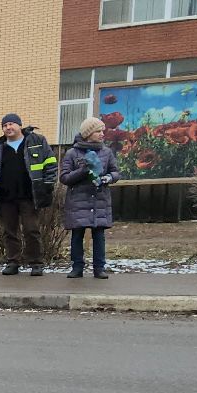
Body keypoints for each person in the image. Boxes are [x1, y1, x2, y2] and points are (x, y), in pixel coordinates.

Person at [0, 112, 57, 276]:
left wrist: (47, 185)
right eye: (5, 125)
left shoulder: (37, 142)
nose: (8, 127)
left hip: (29, 196)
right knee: (10, 232)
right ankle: (13, 262)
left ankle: (36, 263)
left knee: (31, 230)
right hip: (5, 198)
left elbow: (50, 164)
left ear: (19, 125)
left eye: (11, 124)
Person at [61, 117, 118, 279]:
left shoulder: (107, 152)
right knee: (77, 235)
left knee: (99, 235)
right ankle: (77, 267)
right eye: (98, 131)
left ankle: (99, 268)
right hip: (78, 201)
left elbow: (115, 172)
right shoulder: (72, 153)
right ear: (88, 134)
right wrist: (84, 170)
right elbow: (65, 178)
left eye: (102, 131)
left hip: (99, 200)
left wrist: (108, 178)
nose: (102, 134)